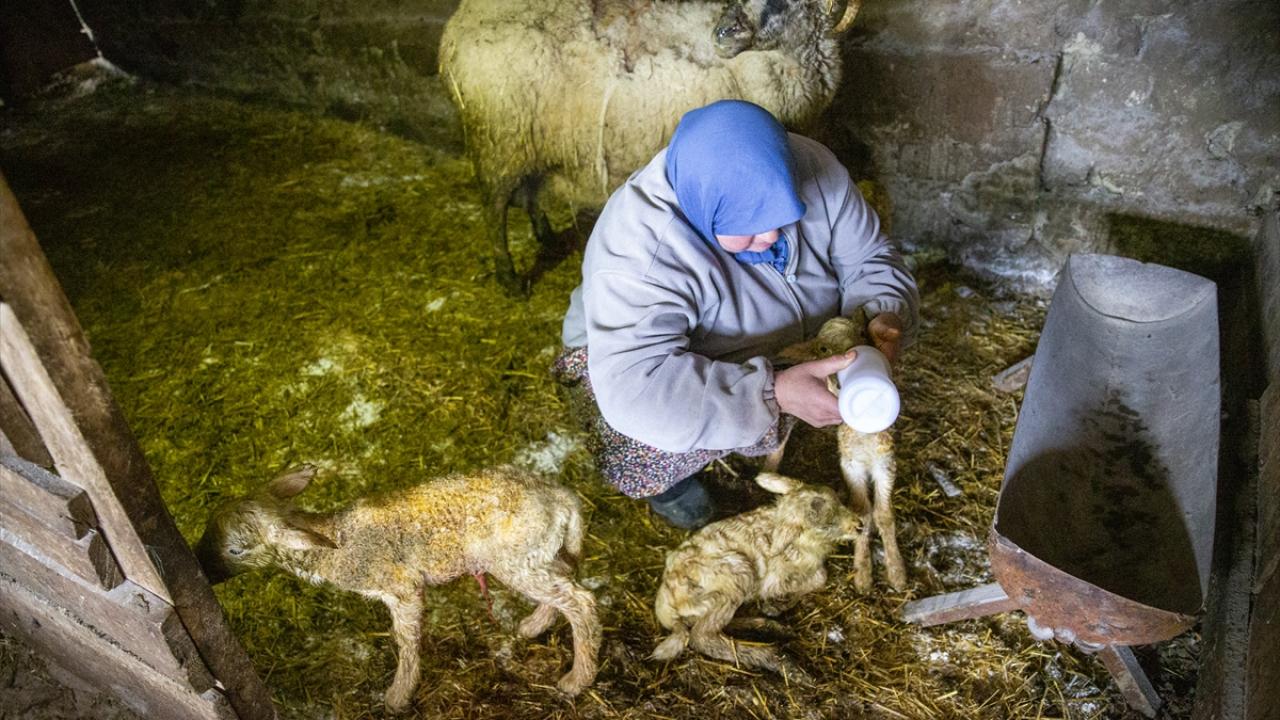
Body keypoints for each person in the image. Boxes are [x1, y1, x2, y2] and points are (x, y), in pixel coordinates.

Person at [554, 99, 919, 530]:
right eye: (747, 224)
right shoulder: (640, 248)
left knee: (782, 387)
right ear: (704, 205)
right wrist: (772, 393)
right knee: (637, 440)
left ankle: (763, 412)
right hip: (639, 365)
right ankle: (669, 484)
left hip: (775, 337)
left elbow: (870, 258)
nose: (769, 235)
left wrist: (884, 314)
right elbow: (637, 389)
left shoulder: (809, 166)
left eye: (782, 216)